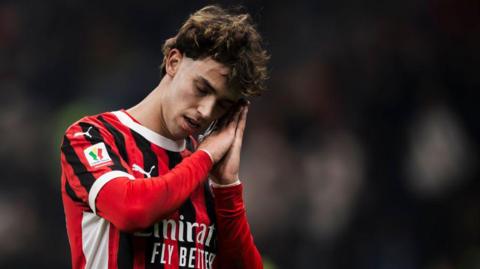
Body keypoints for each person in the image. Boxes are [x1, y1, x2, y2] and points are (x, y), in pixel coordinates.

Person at [60, 5, 269, 269]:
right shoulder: (93, 135)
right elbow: (133, 210)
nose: (206, 111)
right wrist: (204, 157)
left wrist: (227, 188)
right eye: (201, 88)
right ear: (173, 62)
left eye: (222, 105)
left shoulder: (210, 169)